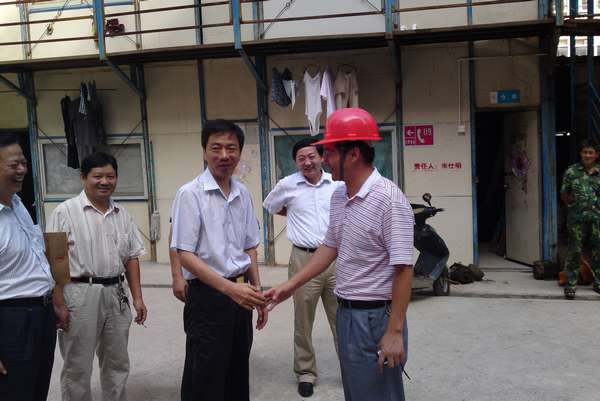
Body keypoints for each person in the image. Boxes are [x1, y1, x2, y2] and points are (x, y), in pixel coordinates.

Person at [265, 108, 415, 401]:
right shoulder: (339, 195)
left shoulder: (389, 200)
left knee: (381, 394)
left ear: (353, 154)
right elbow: (330, 247)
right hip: (347, 312)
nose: (324, 160)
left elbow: (403, 268)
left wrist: (395, 331)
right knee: (357, 391)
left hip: (376, 317)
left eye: (330, 153)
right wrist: (289, 286)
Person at [170, 119, 268, 401]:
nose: (224, 155)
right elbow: (185, 254)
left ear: (239, 152)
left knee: (237, 370)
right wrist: (230, 290)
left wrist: (257, 291)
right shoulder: (190, 194)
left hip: (242, 294)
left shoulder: (242, 193)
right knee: (205, 376)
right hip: (208, 296)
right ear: (204, 151)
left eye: (231, 148)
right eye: (216, 148)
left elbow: (249, 246)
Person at [48, 151, 147, 401]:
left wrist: (138, 298)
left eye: (110, 176)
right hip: (80, 294)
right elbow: (55, 261)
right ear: (83, 178)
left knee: (117, 362)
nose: (105, 181)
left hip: (116, 293)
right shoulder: (64, 212)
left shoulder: (122, 214)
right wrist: (58, 302)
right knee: (77, 365)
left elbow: (132, 258)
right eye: (98, 176)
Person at [263, 137, 340, 397]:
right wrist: (294, 212)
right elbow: (271, 206)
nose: (307, 162)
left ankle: (351, 368)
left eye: (311, 156)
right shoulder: (287, 185)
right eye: (301, 158)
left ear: (321, 157)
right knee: (303, 320)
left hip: (336, 259)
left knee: (342, 318)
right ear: (296, 162)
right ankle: (306, 372)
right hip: (303, 259)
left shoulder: (337, 184)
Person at [0, 133, 57, 401]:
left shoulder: (18, 204)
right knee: (15, 392)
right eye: (14, 165)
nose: (22, 169)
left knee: (37, 390)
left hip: (42, 315)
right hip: (12, 321)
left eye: (24, 163)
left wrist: (55, 298)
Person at [560, 138, 600, 300]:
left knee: (598, 250)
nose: (587, 155)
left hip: (597, 218)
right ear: (580, 154)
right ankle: (570, 284)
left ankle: (598, 282)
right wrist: (574, 207)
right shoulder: (571, 172)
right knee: (574, 250)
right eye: (584, 152)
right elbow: (564, 193)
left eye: (591, 152)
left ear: (596, 155)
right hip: (576, 219)